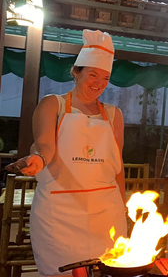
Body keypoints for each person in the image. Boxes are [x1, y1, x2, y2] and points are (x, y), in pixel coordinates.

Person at [18, 30, 127, 276]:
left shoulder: (113, 114)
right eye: (93, 75)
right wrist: (38, 158)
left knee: (107, 270)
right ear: (76, 72)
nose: (99, 83)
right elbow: (43, 144)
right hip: (60, 212)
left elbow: (117, 164)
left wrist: (122, 206)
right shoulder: (52, 104)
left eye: (106, 77)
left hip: (106, 213)